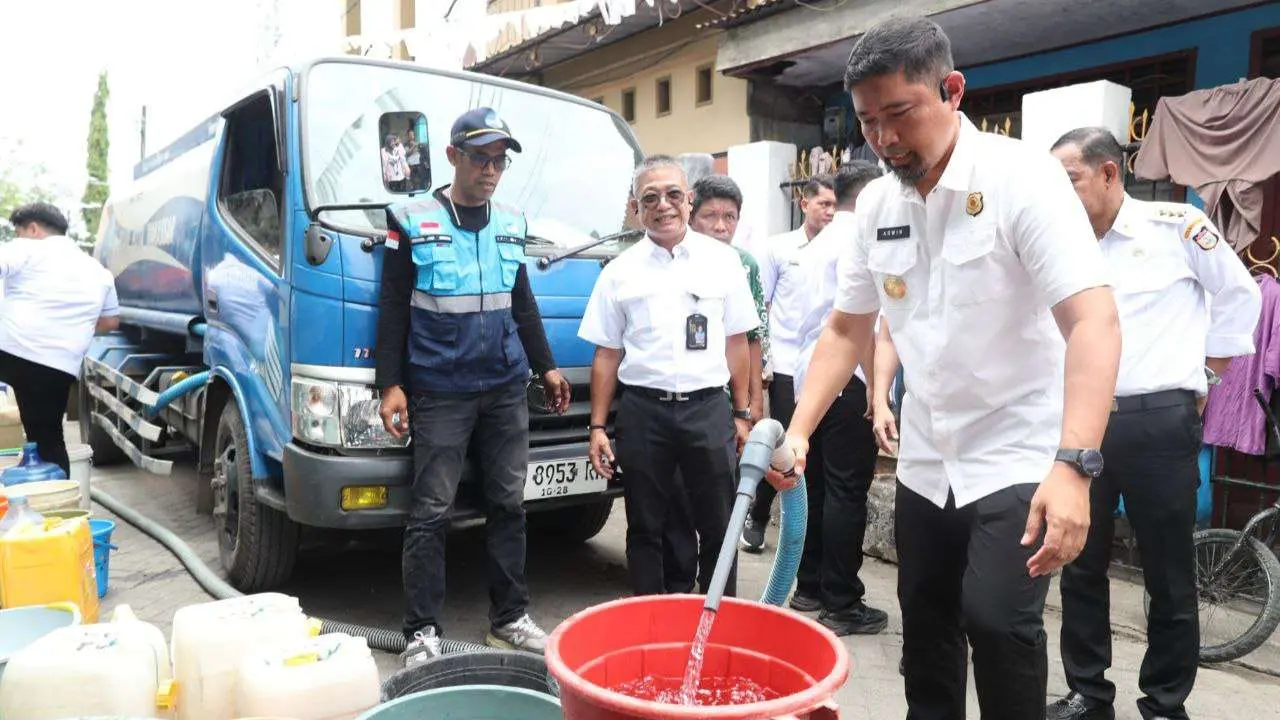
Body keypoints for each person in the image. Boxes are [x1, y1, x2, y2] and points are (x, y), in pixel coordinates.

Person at [770, 16, 1122, 719]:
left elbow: (1093, 320)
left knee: (996, 621)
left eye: (900, 113)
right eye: (869, 122)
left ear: (951, 89)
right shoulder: (874, 205)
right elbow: (847, 328)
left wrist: (1074, 464)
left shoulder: (1023, 180)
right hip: (928, 459)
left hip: (1019, 452)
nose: (885, 138)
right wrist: (800, 429)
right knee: (925, 629)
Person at [1047, 127, 1262, 720]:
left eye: (1071, 181)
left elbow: (1241, 295)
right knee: (1080, 565)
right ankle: (1088, 693)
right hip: (1082, 425)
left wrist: (1209, 379)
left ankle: (1165, 702)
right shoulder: (1061, 244)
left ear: (1110, 172)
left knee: (1167, 573)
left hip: (1157, 421)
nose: (1061, 197)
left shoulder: (1176, 227)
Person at [375, 107, 573, 665]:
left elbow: (522, 303)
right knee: (431, 510)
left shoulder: (511, 221)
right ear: (452, 157)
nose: (491, 169)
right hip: (440, 389)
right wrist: (390, 384)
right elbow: (392, 306)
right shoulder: (411, 220)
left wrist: (547, 366)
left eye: (499, 160)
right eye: (481, 157)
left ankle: (508, 618)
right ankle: (421, 632)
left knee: (509, 504)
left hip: (506, 387)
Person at [580, 155, 759, 598]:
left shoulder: (723, 261)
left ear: (689, 199)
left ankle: (718, 621)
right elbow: (607, 353)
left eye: (674, 194)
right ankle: (651, 621)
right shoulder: (618, 272)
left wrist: (741, 412)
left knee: (720, 524)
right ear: (636, 208)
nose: (664, 205)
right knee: (647, 525)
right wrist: (598, 427)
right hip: (644, 413)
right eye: (650, 197)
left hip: (708, 409)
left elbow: (738, 342)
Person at [785, 160, 889, 635]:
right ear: (867, 195)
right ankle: (842, 601)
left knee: (820, 489)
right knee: (846, 491)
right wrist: (878, 391)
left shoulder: (816, 243)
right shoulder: (860, 241)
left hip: (811, 377)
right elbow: (859, 325)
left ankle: (810, 585)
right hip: (848, 381)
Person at [742, 174, 837, 554]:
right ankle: (759, 514)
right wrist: (761, 363)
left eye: (834, 205)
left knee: (816, 453)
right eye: (823, 204)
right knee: (780, 447)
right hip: (784, 365)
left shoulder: (844, 248)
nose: (830, 211)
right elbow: (759, 309)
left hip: (827, 368)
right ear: (804, 203)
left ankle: (803, 538)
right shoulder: (779, 249)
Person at [0, 203, 119, 477]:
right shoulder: (98, 271)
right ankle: (60, 507)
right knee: (49, 441)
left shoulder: (28, 247)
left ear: (32, 228)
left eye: (19, 232)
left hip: (10, 351)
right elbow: (111, 321)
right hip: (57, 366)